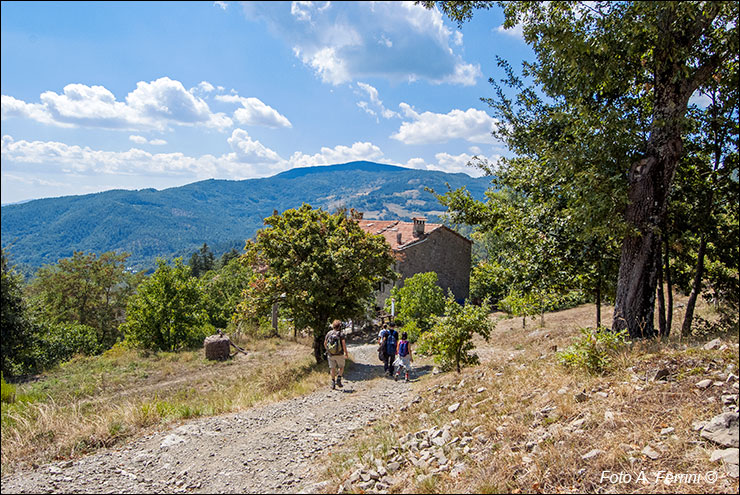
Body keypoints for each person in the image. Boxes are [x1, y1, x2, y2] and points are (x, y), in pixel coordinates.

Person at [324, 319, 348, 390]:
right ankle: (339, 378)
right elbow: (343, 345)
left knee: (332, 368)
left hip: (331, 354)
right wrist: (346, 353)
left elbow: (325, 343)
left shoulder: (329, 333)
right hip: (339, 354)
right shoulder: (341, 334)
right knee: (341, 367)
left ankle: (333, 383)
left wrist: (328, 350)